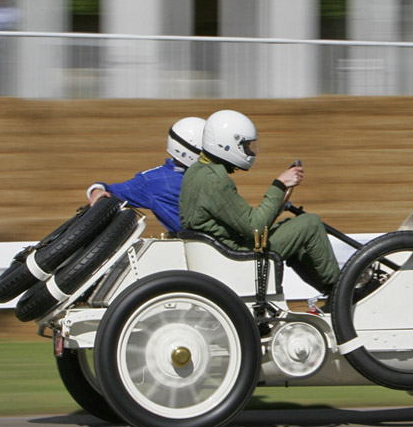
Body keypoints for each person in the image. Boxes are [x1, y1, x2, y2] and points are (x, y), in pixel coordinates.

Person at [179, 109, 339, 294]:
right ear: (227, 145)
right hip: (236, 257)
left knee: (293, 230)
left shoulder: (197, 171)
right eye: (245, 146)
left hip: (220, 253)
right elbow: (255, 227)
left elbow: (242, 221)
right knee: (310, 223)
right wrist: (280, 185)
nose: (248, 151)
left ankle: (332, 295)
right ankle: (341, 291)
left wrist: (277, 203)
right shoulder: (215, 180)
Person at [87, 117, 205, 232]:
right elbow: (110, 192)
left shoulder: (213, 173)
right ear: (188, 152)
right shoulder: (153, 181)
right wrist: (97, 190)